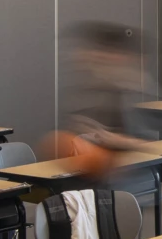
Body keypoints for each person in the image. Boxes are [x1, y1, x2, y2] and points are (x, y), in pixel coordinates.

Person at [56, 21, 155, 174]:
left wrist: (114, 140)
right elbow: (68, 135)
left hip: (123, 171)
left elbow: (149, 144)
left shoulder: (132, 92)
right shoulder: (86, 92)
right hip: (90, 171)